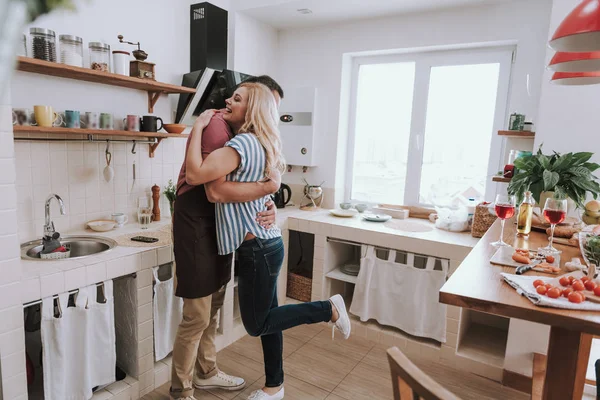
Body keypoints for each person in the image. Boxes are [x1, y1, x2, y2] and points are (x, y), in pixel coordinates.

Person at [185, 82, 351, 400]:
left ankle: (327, 308)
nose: (227, 100)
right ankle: (274, 387)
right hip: (265, 245)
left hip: (257, 249)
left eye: (238, 98)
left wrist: (197, 127)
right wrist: (267, 193)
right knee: (269, 320)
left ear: (253, 109)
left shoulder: (244, 144)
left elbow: (198, 178)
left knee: (257, 324)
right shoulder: (256, 142)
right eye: (230, 95)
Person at [169, 76, 285, 400]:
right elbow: (210, 186)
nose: (228, 103)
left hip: (218, 226)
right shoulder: (219, 128)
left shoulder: (243, 135)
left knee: (214, 306)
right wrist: (194, 129)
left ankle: (205, 373)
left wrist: (268, 202)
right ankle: (181, 391)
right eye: (270, 107)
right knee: (197, 315)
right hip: (197, 222)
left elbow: (247, 181)